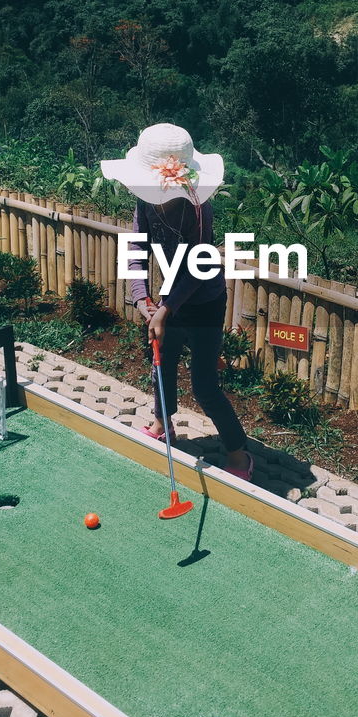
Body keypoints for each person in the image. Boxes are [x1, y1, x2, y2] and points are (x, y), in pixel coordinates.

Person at [101, 124, 253, 480]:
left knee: (203, 384)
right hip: (168, 299)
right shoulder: (145, 202)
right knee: (161, 364)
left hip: (203, 302)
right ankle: (161, 424)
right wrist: (143, 301)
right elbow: (136, 248)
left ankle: (238, 452)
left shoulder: (199, 210)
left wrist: (166, 309)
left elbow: (199, 266)